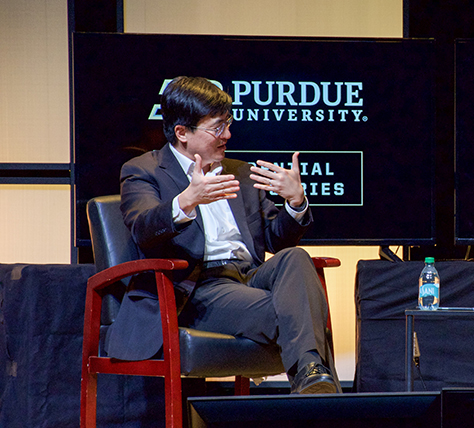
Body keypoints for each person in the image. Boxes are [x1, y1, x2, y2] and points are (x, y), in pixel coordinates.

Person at [109, 76, 339, 394]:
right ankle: (317, 392)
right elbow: (144, 229)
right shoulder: (144, 170)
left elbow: (277, 242)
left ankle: (311, 383)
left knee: (295, 258)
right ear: (182, 133)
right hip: (197, 287)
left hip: (249, 277)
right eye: (217, 127)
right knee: (304, 313)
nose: (227, 135)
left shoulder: (239, 171)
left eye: (228, 124)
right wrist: (187, 200)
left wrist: (295, 202)